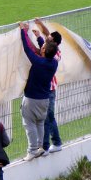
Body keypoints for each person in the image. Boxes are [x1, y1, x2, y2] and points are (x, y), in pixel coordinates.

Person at [19, 22, 59, 161]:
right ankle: (41, 147)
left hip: (31, 99)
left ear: (43, 51)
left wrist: (23, 31)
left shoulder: (38, 62)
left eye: (43, 47)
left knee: (29, 123)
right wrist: (40, 39)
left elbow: (27, 48)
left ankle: (32, 151)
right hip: (44, 99)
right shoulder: (54, 63)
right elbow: (47, 51)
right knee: (40, 123)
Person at [32, 18, 63, 155]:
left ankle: (50, 145)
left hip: (49, 90)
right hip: (48, 89)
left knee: (47, 118)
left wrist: (40, 36)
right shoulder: (52, 48)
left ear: (54, 43)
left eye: (49, 40)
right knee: (47, 118)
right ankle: (50, 144)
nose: (46, 40)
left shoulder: (55, 54)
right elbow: (46, 36)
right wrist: (40, 25)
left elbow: (44, 51)